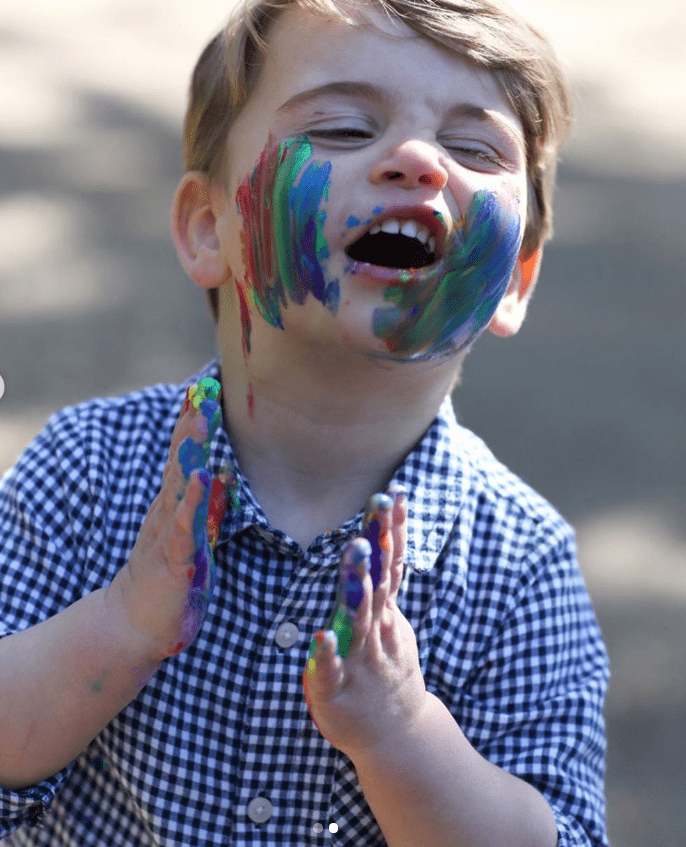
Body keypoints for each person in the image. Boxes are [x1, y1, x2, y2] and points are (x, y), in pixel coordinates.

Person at [0, 0, 610, 845]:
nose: (415, 161)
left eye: (473, 148)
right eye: (341, 127)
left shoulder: (520, 564)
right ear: (209, 227)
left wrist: (401, 733)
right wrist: (122, 628)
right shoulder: (88, 469)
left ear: (515, 277)